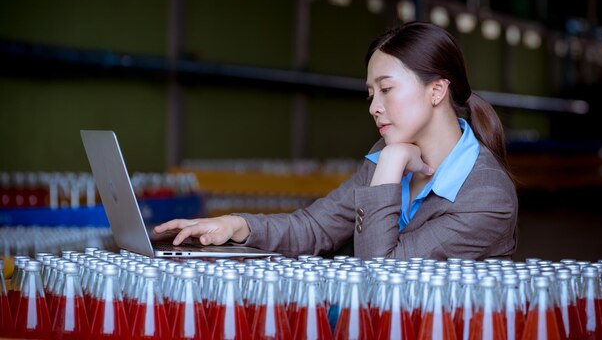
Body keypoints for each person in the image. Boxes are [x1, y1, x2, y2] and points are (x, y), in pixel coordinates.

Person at [154, 21, 518, 260]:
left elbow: (380, 275)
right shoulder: (384, 154)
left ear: (437, 89)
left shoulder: (486, 196)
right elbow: (315, 227)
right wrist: (236, 225)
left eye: (386, 90)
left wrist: (390, 165)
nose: (375, 107)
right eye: (370, 94)